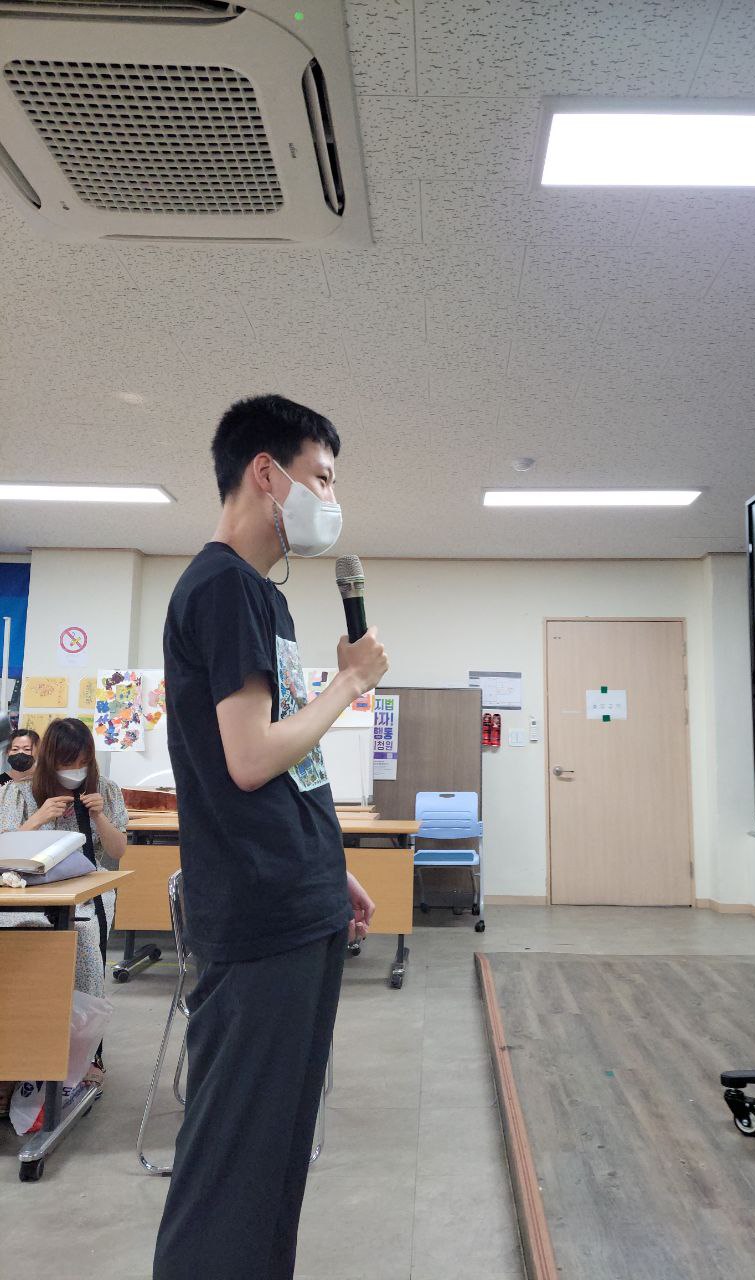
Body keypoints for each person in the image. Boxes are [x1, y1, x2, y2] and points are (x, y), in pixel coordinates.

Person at [153, 395, 388, 1280]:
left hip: (297, 894)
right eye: (321, 477)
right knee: (235, 1161)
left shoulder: (259, 600)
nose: (330, 498)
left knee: (278, 1150)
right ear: (267, 473)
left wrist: (329, 867)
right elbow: (250, 759)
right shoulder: (222, 587)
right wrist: (349, 683)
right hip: (259, 913)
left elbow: (291, 765)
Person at [0, 717, 127, 1108]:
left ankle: (85, 1052)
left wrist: (100, 815)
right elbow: (5, 847)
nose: (74, 771)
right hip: (27, 888)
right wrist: (38, 820)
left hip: (87, 889)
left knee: (83, 935)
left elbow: (117, 852)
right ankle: (18, 1052)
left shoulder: (105, 790)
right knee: (19, 941)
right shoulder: (20, 794)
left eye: (82, 761)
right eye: (66, 762)